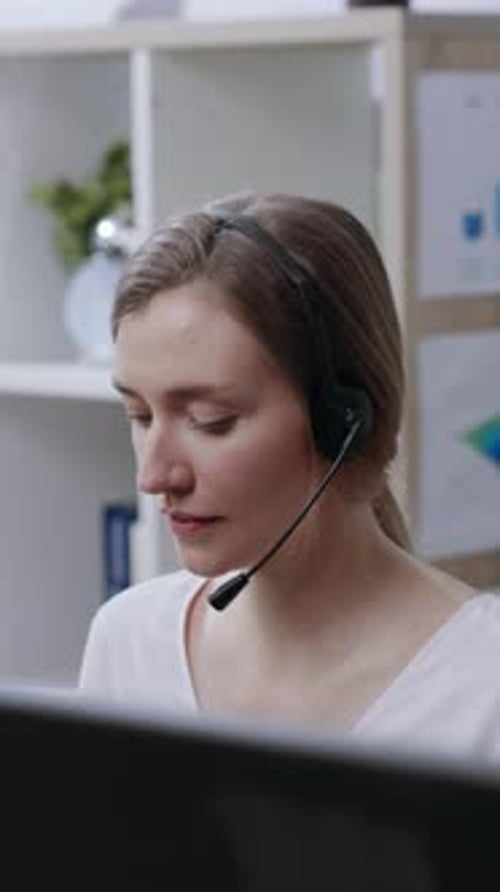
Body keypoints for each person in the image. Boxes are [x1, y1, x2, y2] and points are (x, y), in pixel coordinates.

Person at [79, 193, 500, 759]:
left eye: (211, 421)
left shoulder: (484, 686)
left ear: (344, 420)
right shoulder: (126, 644)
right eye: (139, 415)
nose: (154, 476)